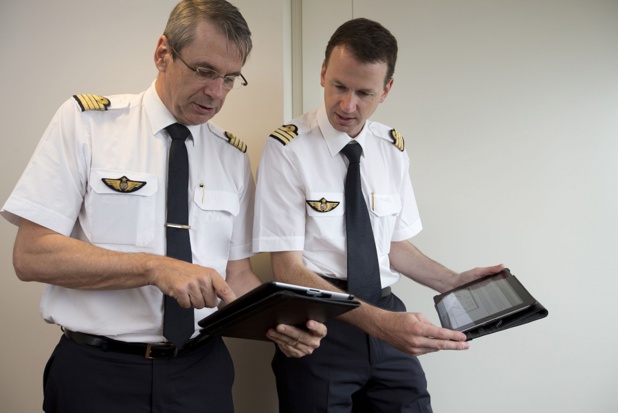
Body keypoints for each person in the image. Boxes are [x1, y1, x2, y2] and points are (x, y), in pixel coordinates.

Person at [1, 1, 326, 412]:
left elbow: (236, 275)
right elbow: (30, 256)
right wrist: (155, 267)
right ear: (163, 54)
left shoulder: (232, 156)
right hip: (97, 374)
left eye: (229, 78)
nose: (216, 93)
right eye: (205, 71)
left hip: (200, 373)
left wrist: (282, 323)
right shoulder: (87, 124)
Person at [253, 17, 504, 412]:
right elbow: (286, 268)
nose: (347, 105)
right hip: (320, 327)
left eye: (364, 92)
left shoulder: (392, 147)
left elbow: (393, 245)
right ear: (322, 73)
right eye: (338, 85)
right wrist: (379, 323)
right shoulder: (287, 148)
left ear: (386, 90)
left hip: (389, 322)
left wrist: (452, 281)